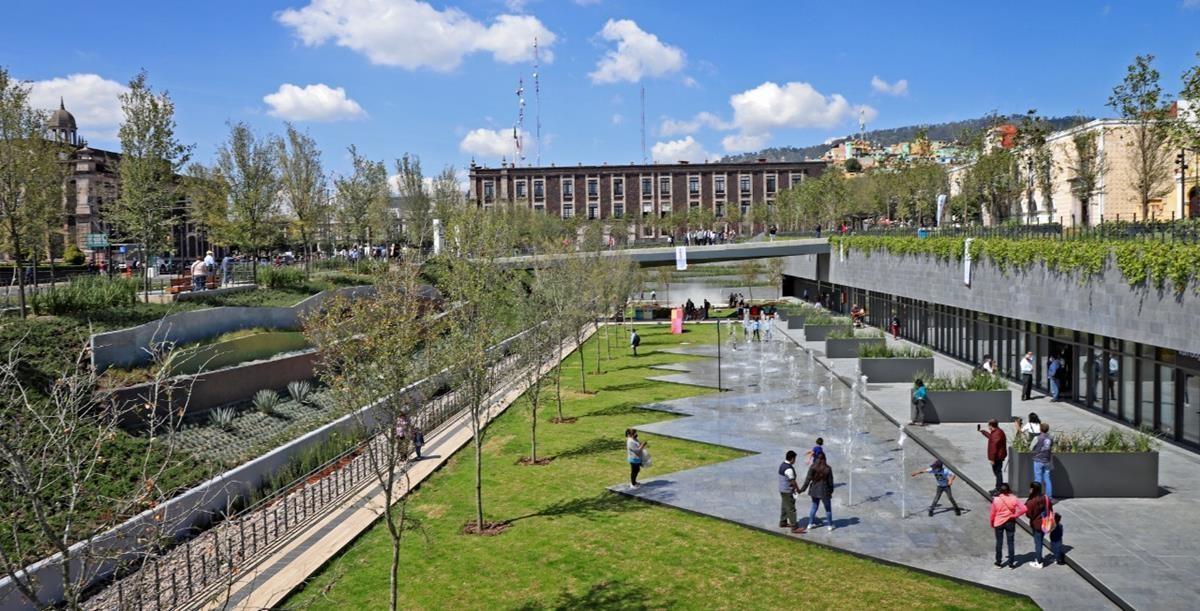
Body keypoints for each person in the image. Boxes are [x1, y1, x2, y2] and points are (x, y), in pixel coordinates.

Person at [990, 483, 1027, 568]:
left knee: (999, 542)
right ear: (1009, 490)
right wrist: (1015, 515)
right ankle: (1011, 563)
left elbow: (992, 514)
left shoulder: (996, 500)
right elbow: (1024, 509)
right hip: (1010, 522)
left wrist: (992, 523)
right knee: (1010, 543)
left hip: (998, 523)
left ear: (1000, 490)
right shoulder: (1014, 498)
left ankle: (998, 562)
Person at [797, 453, 835, 532]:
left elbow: (807, 480)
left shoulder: (812, 467)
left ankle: (810, 524)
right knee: (828, 509)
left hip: (814, 490)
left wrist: (802, 489)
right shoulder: (828, 468)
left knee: (814, 507)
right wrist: (831, 491)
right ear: (825, 459)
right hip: (825, 490)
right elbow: (831, 482)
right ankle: (830, 525)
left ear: (816, 459)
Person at [1025, 481, 1053, 568]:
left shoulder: (1031, 502)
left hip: (1036, 524)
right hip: (1046, 523)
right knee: (1040, 541)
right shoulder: (1046, 498)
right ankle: (1039, 557)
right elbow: (1050, 509)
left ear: (1032, 489)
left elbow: (1028, 515)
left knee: (1038, 543)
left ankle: (1039, 562)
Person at [978, 419, 1007, 493]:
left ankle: (999, 489)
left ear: (991, 425)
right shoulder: (997, 432)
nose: (988, 426)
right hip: (998, 456)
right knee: (997, 472)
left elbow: (993, 448)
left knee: (997, 472)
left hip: (997, 457)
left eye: (988, 425)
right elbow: (991, 437)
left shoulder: (996, 434)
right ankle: (998, 487)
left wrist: (992, 459)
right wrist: (983, 432)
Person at [778, 450, 804, 532]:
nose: (795, 460)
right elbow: (792, 481)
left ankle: (783, 522)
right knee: (791, 508)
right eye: (795, 459)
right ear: (792, 459)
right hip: (787, 491)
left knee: (784, 506)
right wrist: (798, 489)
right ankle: (794, 527)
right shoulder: (789, 469)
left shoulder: (782, 465)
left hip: (782, 489)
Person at [1032, 422, 1054, 499]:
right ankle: (1049, 498)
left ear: (1040, 429)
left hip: (1038, 459)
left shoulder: (1037, 438)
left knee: (1038, 478)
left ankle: (1037, 497)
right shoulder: (1051, 437)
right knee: (1047, 479)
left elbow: (1031, 447)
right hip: (1047, 460)